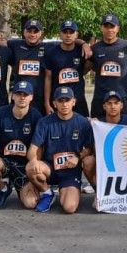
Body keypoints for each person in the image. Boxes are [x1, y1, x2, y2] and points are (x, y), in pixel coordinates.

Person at [26, 86, 96, 214]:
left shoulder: (82, 122)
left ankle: (72, 190)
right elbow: (32, 150)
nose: (64, 104)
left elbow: (89, 149)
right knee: (31, 167)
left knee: (69, 208)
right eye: (61, 101)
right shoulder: (44, 122)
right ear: (54, 103)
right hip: (50, 169)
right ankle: (47, 193)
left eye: (67, 100)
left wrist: (78, 157)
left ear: (73, 102)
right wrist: (34, 160)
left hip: (70, 172)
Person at [0, 81, 44, 210]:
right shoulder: (0, 113)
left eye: (25, 95)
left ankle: (26, 187)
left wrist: (34, 164)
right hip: (4, 161)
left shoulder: (36, 116)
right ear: (12, 96)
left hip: (23, 164)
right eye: (18, 94)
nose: (22, 97)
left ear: (31, 97)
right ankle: (3, 188)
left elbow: (39, 146)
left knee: (31, 204)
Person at [88, 14, 127, 118]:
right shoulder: (95, 48)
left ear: (118, 28)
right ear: (102, 28)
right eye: (106, 26)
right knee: (97, 130)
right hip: (100, 98)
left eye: (112, 26)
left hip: (121, 97)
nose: (109, 30)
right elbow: (84, 69)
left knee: (123, 132)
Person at [43, 20, 91, 116]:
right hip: (59, 102)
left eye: (71, 32)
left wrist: (84, 44)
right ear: (60, 34)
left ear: (76, 34)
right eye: (65, 32)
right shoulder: (51, 53)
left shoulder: (82, 52)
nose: (68, 35)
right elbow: (48, 78)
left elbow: (87, 68)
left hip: (78, 102)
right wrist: (47, 103)